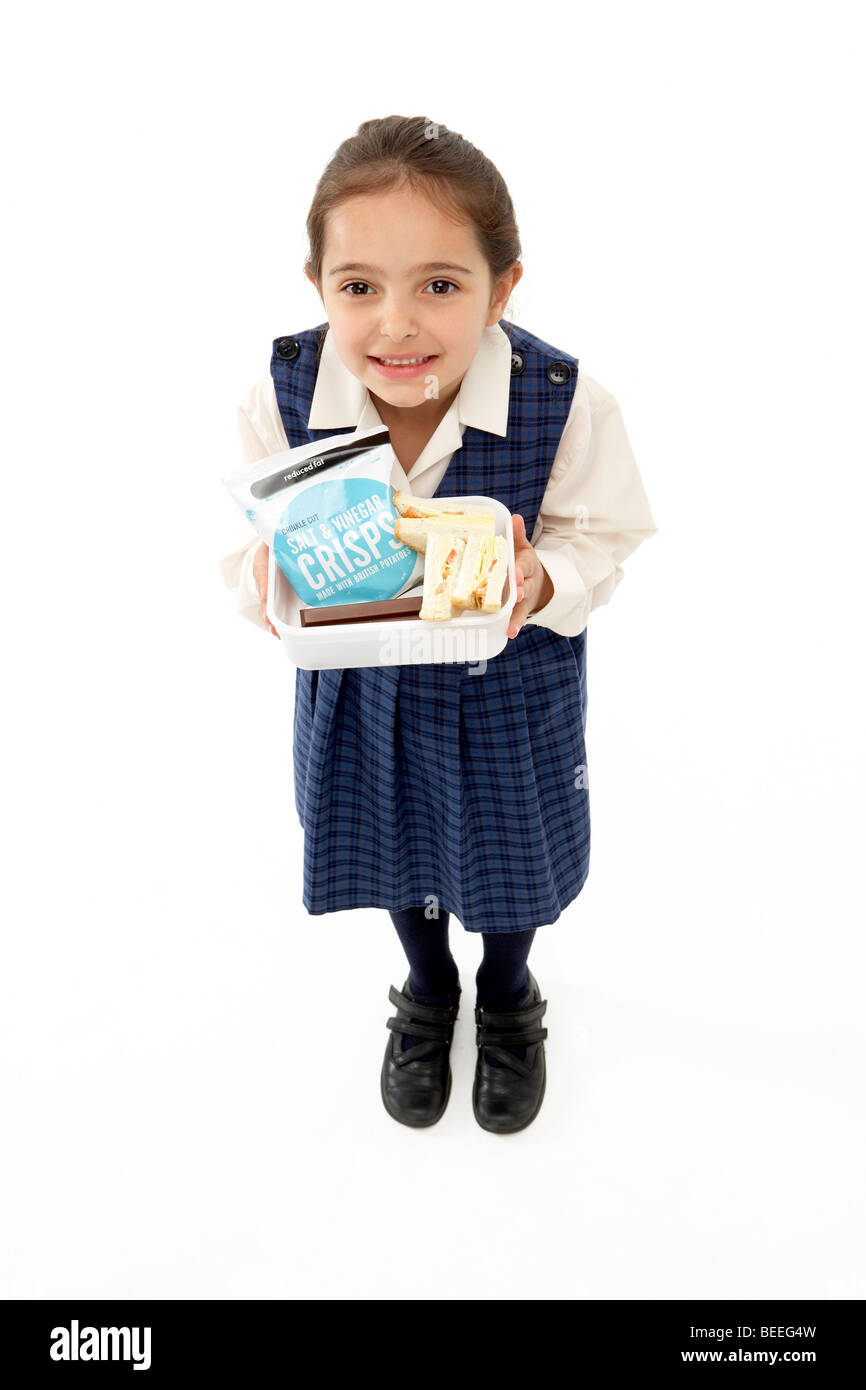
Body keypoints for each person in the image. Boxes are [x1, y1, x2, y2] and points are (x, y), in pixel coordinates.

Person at [220, 115, 658, 1135]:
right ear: (317, 283)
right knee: (393, 847)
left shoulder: (563, 400)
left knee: (513, 862)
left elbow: (609, 533)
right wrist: (273, 573)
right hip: (361, 692)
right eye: (358, 286)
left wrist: (536, 577)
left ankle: (506, 994)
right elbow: (251, 561)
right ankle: (428, 989)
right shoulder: (282, 394)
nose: (397, 327)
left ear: (501, 287)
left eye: (441, 285)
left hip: (508, 693)